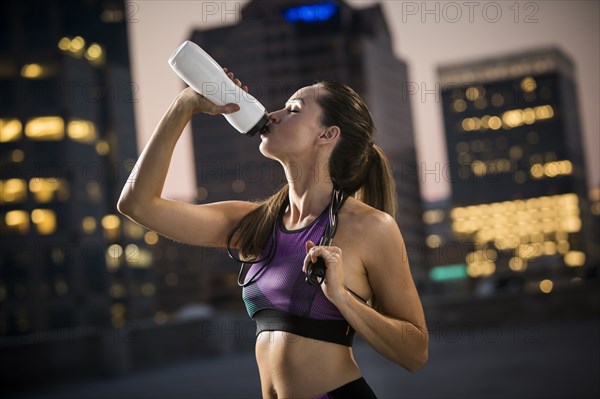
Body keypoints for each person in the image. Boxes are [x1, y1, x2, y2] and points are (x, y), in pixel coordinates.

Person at [118, 70, 428, 398]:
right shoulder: (255, 222)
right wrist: (185, 105)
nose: (272, 115)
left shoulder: (370, 227)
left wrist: (341, 297)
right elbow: (138, 205)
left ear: (327, 134)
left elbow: (415, 353)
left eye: (293, 109)